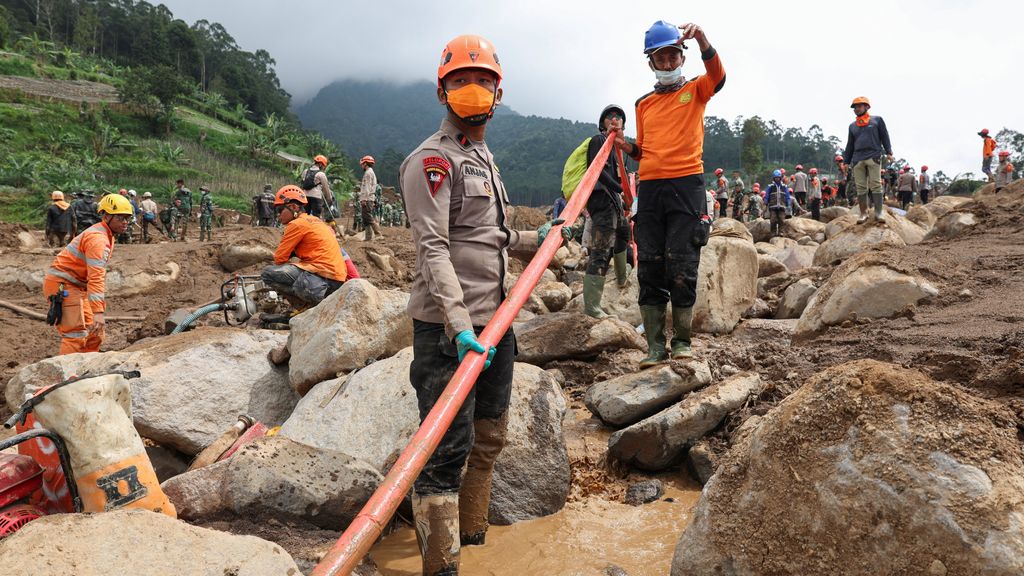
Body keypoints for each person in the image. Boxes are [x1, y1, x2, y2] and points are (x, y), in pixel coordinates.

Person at [399, 34, 567, 575]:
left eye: (482, 80)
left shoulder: (485, 159)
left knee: (490, 435)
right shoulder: (431, 160)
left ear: (498, 93)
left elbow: (489, 236)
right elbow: (432, 247)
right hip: (450, 330)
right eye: (460, 80)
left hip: (497, 321)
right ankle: (441, 566)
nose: (472, 88)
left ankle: (473, 540)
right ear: (441, 91)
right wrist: (458, 325)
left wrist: (538, 238)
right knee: (446, 451)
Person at [615, 20, 725, 368]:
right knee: (649, 264)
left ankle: (681, 342)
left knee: (682, 263)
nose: (667, 63)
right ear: (650, 61)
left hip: (686, 185)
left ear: (682, 58)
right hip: (650, 188)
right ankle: (654, 347)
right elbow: (644, 149)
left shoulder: (697, 89)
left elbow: (718, 75)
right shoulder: (643, 104)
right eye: (660, 58)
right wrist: (626, 145)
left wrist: (702, 38)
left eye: (672, 57)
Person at [42, 194, 131, 354]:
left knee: (95, 333)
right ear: (106, 216)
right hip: (63, 285)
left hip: (76, 286)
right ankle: (69, 369)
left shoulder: (106, 235)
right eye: (120, 218)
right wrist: (98, 312)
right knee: (75, 335)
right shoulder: (98, 239)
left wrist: (97, 311)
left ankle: (87, 364)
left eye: (127, 218)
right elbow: (96, 277)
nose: (125, 222)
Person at [260, 185, 347, 310]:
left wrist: (291, 253)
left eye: (280, 210)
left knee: (268, 274)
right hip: (337, 280)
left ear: (293, 207)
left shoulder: (296, 224)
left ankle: (301, 307)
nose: (278, 215)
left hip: (319, 279)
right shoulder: (316, 221)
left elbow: (279, 259)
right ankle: (308, 304)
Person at [581, 104, 632, 318]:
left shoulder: (617, 148)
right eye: (610, 116)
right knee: (601, 250)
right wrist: (620, 189)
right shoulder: (598, 140)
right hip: (601, 199)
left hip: (613, 200)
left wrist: (624, 195)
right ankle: (592, 307)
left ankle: (622, 277)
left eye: (619, 116)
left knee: (624, 232)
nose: (615, 118)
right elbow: (596, 170)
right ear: (603, 122)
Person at [842, 96, 893, 224]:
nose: (856, 109)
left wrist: (889, 152)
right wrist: (846, 161)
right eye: (855, 107)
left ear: (866, 107)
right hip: (857, 159)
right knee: (860, 187)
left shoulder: (877, 120)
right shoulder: (852, 126)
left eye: (859, 106)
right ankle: (863, 213)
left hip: (873, 156)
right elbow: (850, 145)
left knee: (875, 184)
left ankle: (878, 212)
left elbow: (885, 136)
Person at [358, 155, 383, 241]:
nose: (361, 165)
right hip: (369, 198)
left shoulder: (368, 173)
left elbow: (367, 187)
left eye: (362, 164)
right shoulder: (370, 172)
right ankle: (368, 237)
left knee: (368, 217)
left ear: (365, 164)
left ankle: (378, 234)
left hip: (367, 199)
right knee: (365, 218)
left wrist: (364, 199)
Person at [765, 170, 791, 237]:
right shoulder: (770, 186)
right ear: (773, 178)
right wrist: (766, 202)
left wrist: (788, 204)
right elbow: (767, 195)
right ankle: (773, 232)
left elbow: (787, 196)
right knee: (773, 220)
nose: (777, 179)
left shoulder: (784, 186)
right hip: (773, 206)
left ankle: (781, 232)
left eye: (778, 177)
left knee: (781, 220)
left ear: (780, 178)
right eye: (776, 178)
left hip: (782, 206)